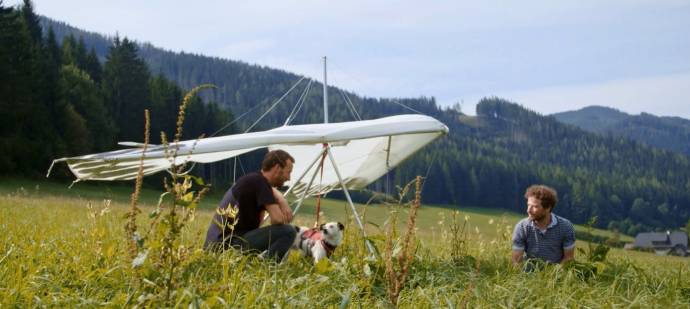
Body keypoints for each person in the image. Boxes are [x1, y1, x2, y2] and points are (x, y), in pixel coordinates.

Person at [204, 149, 296, 262]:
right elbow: (277, 220)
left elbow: (264, 225)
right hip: (227, 247)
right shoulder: (260, 182)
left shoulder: (255, 180)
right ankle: (267, 268)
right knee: (288, 231)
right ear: (277, 168)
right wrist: (283, 202)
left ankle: (256, 262)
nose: (289, 178)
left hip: (216, 247)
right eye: (288, 172)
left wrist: (280, 197)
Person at [511, 185, 575, 268]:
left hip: (556, 275)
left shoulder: (565, 227)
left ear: (548, 208)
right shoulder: (522, 227)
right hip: (527, 276)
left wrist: (552, 277)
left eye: (534, 206)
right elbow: (516, 261)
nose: (528, 210)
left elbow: (569, 258)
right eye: (528, 205)